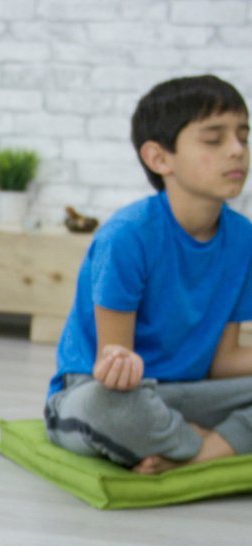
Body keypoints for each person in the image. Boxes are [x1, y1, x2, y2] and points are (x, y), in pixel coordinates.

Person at [45, 75, 252, 474]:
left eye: (243, 137)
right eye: (214, 140)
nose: (237, 151)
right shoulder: (128, 235)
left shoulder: (244, 240)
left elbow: (222, 362)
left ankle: (190, 453)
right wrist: (121, 371)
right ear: (159, 158)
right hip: (108, 394)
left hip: (186, 395)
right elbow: (115, 367)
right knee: (108, 406)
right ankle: (211, 443)